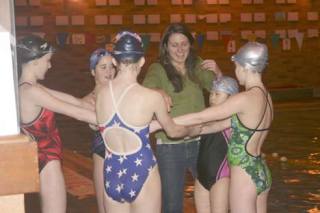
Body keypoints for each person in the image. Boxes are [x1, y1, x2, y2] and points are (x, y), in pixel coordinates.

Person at [95, 31, 200, 213]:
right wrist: (192, 131)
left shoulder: (100, 94)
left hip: (112, 172)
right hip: (142, 171)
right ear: (142, 61)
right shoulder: (151, 97)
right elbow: (173, 131)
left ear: (114, 61)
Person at [162, 42, 273, 213]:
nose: (236, 72)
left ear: (244, 67)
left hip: (244, 174)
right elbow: (222, 125)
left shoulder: (245, 98)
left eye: (236, 66)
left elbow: (201, 116)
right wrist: (188, 131)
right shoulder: (267, 97)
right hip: (261, 171)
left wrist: (162, 121)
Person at [142, 23, 222, 213]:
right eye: (174, 45)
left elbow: (220, 92)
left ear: (190, 45)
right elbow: (144, 90)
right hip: (170, 146)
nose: (180, 50)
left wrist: (218, 72)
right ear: (166, 47)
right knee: (172, 204)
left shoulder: (196, 65)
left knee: (214, 195)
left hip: (200, 141)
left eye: (184, 44)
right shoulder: (158, 68)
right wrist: (157, 91)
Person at [17, 35, 96, 213]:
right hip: (48, 162)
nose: (50, 65)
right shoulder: (32, 92)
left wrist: (94, 97)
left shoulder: (28, 87)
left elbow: (77, 103)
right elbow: (76, 112)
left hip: (41, 160)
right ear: (35, 61)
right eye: (47, 61)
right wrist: (120, 122)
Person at [195, 76, 239, 213]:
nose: (212, 98)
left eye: (217, 94)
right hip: (201, 177)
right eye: (211, 93)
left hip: (221, 178)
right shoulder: (207, 116)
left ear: (231, 98)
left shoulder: (233, 120)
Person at [83, 48, 116, 213]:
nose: (109, 71)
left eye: (112, 66)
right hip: (103, 158)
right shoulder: (88, 101)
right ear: (92, 71)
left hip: (129, 157)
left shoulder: (127, 95)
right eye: (103, 67)